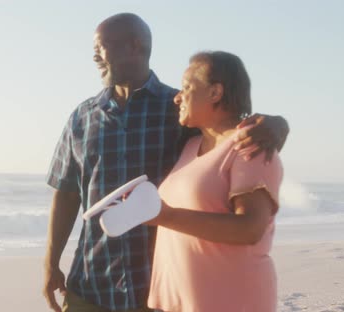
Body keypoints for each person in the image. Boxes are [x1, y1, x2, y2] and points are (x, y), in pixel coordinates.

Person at [43, 13, 289, 312]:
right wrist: (51, 263)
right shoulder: (81, 117)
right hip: (91, 283)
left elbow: (227, 132)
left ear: (135, 46)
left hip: (155, 289)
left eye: (102, 46)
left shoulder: (180, 112)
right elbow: (67, 193)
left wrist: (277, 124)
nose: (94, 55)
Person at [146, 51, 282, 312]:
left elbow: (251, 228)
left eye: (186, 87)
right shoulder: (190, 147)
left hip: (230, 301)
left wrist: (164, 216)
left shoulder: (250, 145)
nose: (177, 97)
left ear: (215, 93)